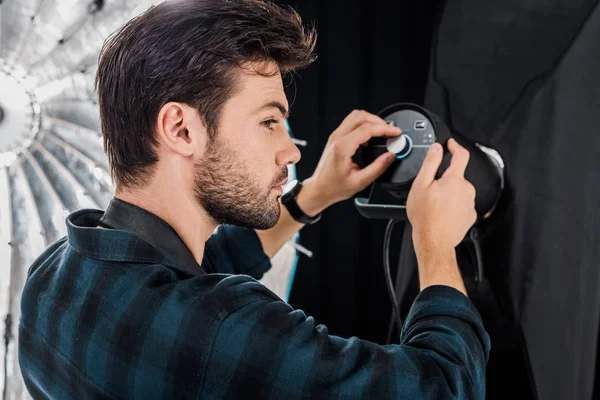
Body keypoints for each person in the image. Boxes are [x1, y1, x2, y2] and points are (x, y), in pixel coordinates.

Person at [18, 0, 489, 398]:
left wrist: (315, 195)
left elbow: (207, 267)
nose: (290, 150)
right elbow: (444, 386)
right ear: (181, 129)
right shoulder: (221, 327)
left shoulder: (53, 274)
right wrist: (434, 243)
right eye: (269, 121)